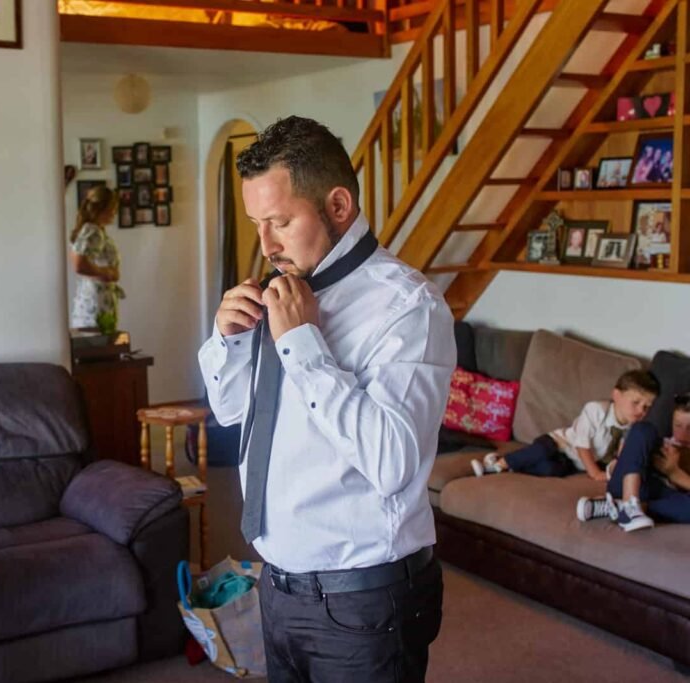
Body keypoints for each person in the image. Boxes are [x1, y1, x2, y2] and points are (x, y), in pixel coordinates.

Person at [199, 116, 454, 682]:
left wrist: (303, 345)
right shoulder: (281, 291)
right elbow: (231, 413)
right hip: (277, 583)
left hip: (362, 601)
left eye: (281, 222)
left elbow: (392, 462)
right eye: (257, 224)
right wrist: (228, 341)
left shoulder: (408, 308)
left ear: (338, 205)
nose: (266, 246)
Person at [471, 370, 658, 480]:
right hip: (558, 443)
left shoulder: (632, 429)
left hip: (570, 462)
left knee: (550, 470)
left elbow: (620, 457)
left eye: (647, 407)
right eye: (636, 402)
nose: (641, 410)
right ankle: (497, 464)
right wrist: (594, 473)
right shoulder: (596, 410)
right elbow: (582, 446)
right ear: (616, 395)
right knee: (541, 451)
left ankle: (511, 466)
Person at [577, 393, 690, 531]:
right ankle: (630, 501)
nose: (682, 434)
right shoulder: (661, 444)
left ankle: (623, 507)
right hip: (629, 485)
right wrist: (622, 458)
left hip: (666, 497)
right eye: (678, 425)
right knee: (644, 429)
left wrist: (674, 473)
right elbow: (617, 469)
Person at [69, 185, 123, 332]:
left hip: (93, 301)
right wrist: (108, 273)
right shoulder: (93, 231)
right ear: (102, 208)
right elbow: (79, 265)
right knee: (99, 343)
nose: (115, 212)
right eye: (113, 207)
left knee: (98, 342)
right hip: (96, 304)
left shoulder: (89, 229)